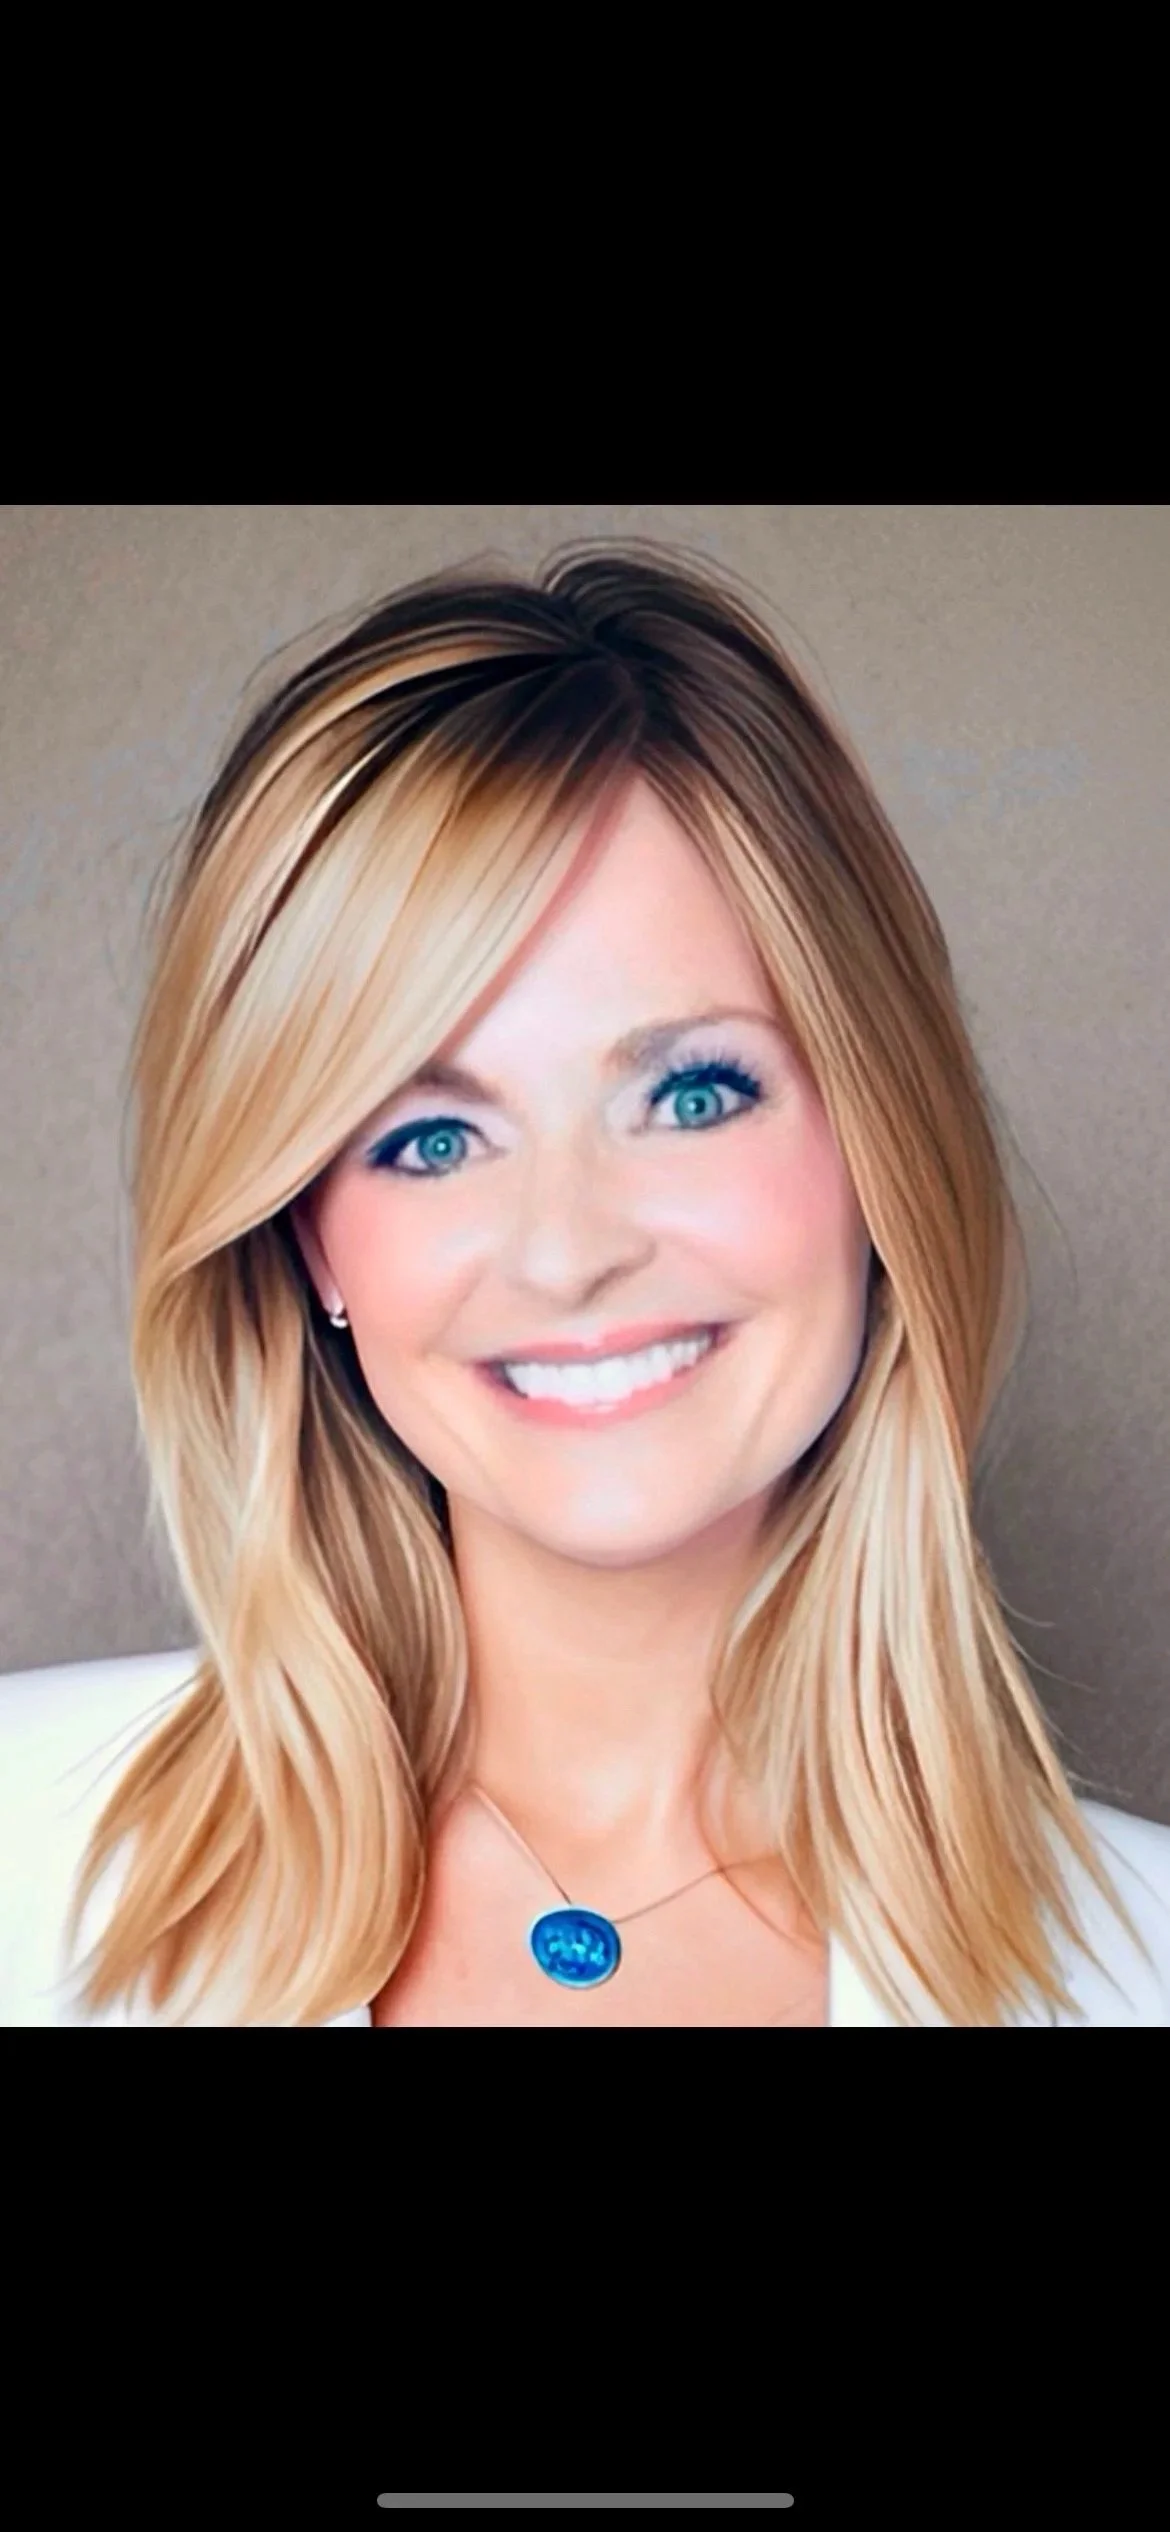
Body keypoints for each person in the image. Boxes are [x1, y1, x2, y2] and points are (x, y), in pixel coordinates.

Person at [3, 542, 1168, 2028]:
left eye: (687, 1096)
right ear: (308, 1244)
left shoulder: (1145, 1964)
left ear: (881, 1143)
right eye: (429, 1136)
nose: (567, 1246)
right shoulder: (16, 1857)